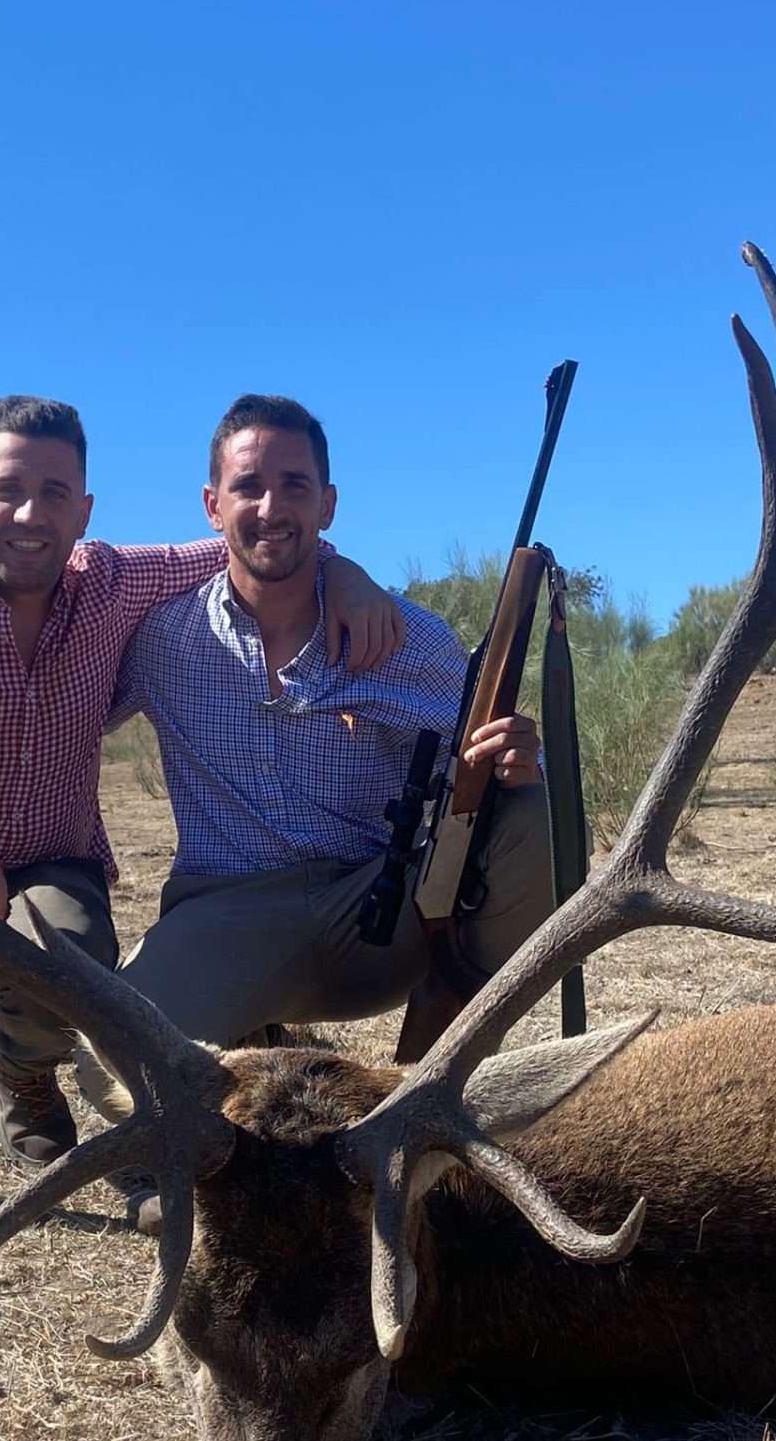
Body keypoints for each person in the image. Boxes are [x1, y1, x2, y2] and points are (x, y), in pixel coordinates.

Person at [0, 394, 400, 1218]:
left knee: (80, 957)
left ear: (84, 510)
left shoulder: (116, 582)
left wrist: (345, 570)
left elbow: (256, 537)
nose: (31, 514)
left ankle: (24, 1066)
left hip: (41, 878)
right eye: (7, 490)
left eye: (56, 493)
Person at [106, 392, 554, 1064]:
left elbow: (473, 779)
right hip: (225, 917)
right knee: (117, 1056)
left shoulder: (410, 639)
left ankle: (460, 1053)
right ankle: (237, 1049)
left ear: (328, 504)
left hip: (374, 914)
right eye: (248, 487)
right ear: (211, 505)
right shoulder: (161, 640)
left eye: (294, 486)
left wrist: (516, 764)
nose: (270, 508)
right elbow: (55, 711)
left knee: (529, 817)